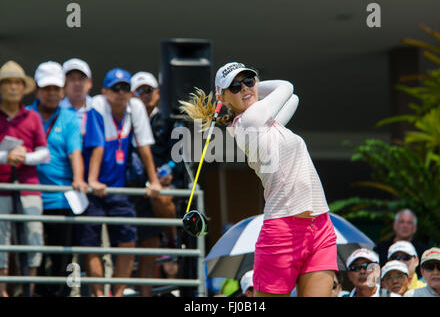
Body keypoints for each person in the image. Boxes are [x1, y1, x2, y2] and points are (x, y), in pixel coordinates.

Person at [179, 62, 337, 297]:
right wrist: (255, 89)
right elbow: (286, 87)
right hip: (284, 229)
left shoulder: (266, 124)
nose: (245, 88)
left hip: (320, 225)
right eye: (235, 86)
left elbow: (294, 99)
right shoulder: (251, 119)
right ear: (223, 96)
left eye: (249, 81)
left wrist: (248, 90)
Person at [77, 68, 162, 297]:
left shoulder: (135, 108)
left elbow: (144, 147)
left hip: (118, 188)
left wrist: (154, 181)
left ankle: (117, 293)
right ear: (104, 91)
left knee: (128, 242)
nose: (121, 93)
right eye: (116, 88)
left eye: (126, 88)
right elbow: (97, 145)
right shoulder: (97, 105)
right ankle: (99, 294)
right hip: (91, 189)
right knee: (92, 245)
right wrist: (92, 180)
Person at [27, 61, 88, 297]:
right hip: (31, 196)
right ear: (37, 91)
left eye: (56, 88)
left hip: (62, 200)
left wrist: (79, 178)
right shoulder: (27, 115)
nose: (52, 93)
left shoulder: (71, 119)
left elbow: (75, 153)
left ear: (62, 90)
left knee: (63, 256)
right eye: (46, 88)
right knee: (33, 255)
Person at [0, 60, 50, 297]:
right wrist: (5, 156)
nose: (12, 87)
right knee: (1, 241)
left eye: (16, 83)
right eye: (7, 82)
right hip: (1, 187)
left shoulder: (32, 117)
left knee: (33, 237)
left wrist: (23, 157)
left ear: (23, 87)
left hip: (29, 187)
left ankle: (29, 289)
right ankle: (2, 291)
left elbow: (44, 152)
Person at [130, 71, 177, 297]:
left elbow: (179, 154)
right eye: (140, 91)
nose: (145, 95)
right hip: (128, 190)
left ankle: (172, 238)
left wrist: (167, 172)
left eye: (149, 90)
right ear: (132, 95)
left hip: (156, 189)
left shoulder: (169, 120)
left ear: (158, 93)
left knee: (149, 249)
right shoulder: (124, 118)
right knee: (124, 248)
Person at [375, 208, 427, 276]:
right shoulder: (380, 249)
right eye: (401, 222)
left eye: (409, 223)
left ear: (415, 228)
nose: (405, 226)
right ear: (394, 225)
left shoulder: (423, 251)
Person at [60, 58, 93, 126]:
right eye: (72, 79)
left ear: (90, 83)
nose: (77, 83)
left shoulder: (98, 108)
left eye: (81, 78)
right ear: (63, 83)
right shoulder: (56, 109)